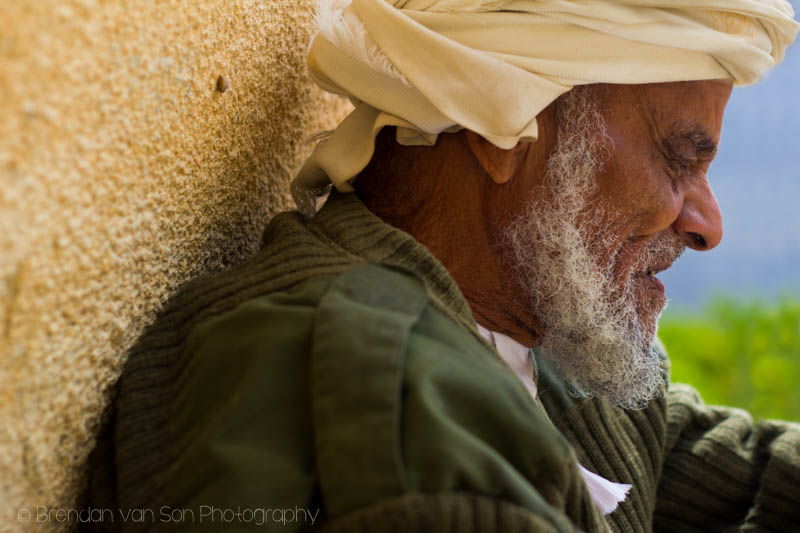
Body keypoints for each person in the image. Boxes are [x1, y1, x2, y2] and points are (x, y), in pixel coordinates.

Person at [85, 0, 800, 531]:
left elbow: (715, 471)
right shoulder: (381, 392)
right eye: (680, 157)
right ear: (505, 122)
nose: (707, 224)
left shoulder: (527, 338)